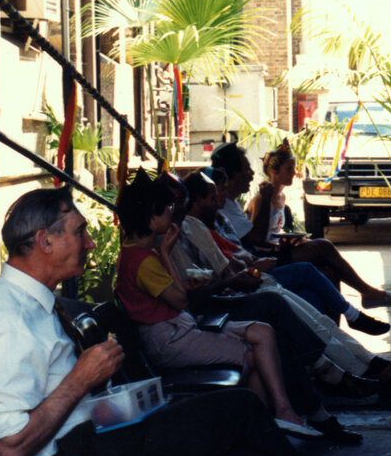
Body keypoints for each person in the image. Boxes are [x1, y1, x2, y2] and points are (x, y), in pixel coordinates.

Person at [0, 187, 313, 456]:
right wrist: (80, 380)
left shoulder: (29, 305)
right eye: (80, 232)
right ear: (45, 241)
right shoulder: (3, 320)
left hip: (87, 452)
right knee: (240, 407)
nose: (90, 243)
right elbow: (10, 450)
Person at [160, 169, 391, 400]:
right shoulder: (163, 243)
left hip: (240, 286)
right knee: (295, 303)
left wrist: (245, 271)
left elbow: (227, 267)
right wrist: (240, 274)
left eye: (180, 203)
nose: (179, 209)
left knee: (318, 317)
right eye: (174, 205)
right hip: (222, 303)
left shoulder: (193, 226)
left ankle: (375, 365)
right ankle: (364, 371)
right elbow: (198, 290)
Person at [114, 170, 323, 440]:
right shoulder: (143, 261)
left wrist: (164, 252)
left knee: (262, 333)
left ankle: (268, 422)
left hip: (179, 330)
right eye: (166, 208)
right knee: (255, 353)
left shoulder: (139, 254)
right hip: (171, 339)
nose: (172, 212)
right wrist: (166, 253)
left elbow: (179, 298)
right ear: (150, 216)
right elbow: (181, 300)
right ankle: (271, 421)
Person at [201, 166, 390, 336]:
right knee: (316, 255)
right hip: (251, 271)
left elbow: (241, 249)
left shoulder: (221, 217)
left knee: (325, 277)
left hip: (257, 262)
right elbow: (251, 243)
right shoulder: (203, 226)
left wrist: (278, 248)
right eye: (220, 190)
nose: (250, 173)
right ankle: (354, 313)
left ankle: (336, 335)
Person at [245, 140, 391, 310]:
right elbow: (255, 237)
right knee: (324, 246)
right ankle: (368, 293)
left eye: (294, 169)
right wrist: (279, 245)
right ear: (273, 171)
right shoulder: (261, 199)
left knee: (331, 269)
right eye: (289, 169)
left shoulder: (281, 197)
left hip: (278, 249)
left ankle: (352, 307)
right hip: (266, 255)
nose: (294, 173)